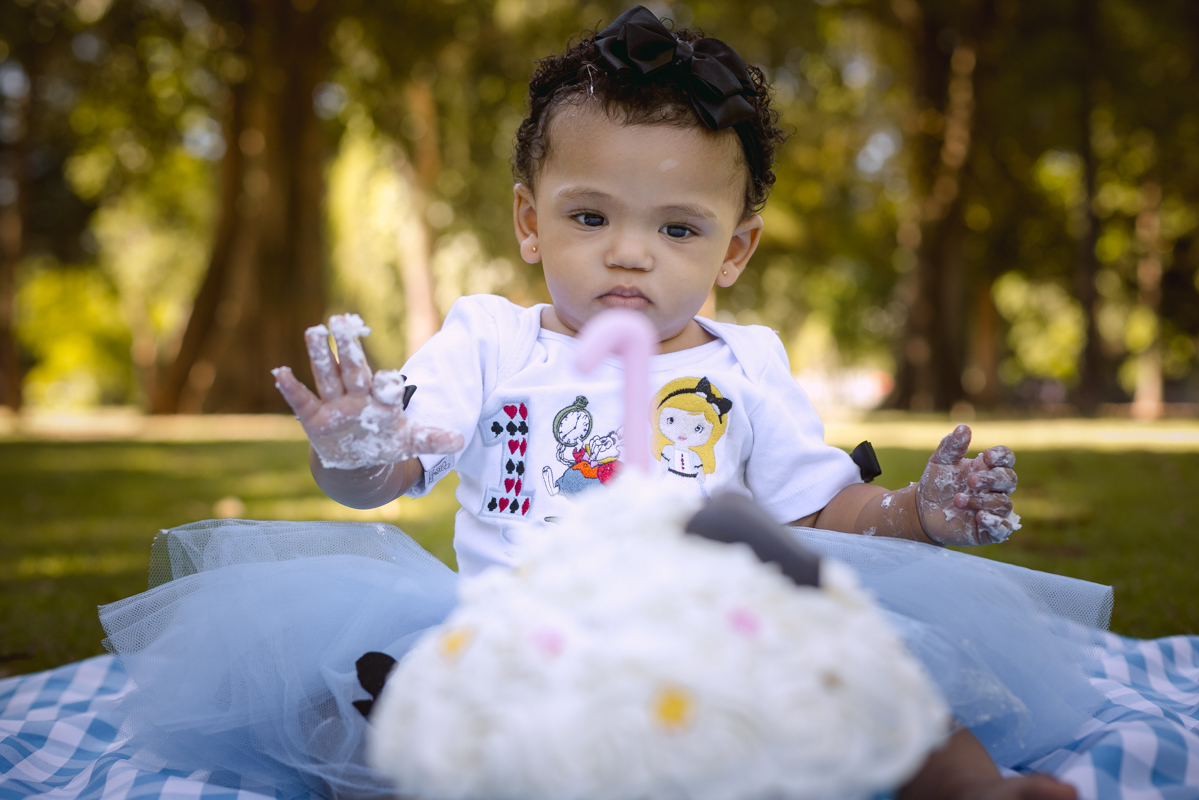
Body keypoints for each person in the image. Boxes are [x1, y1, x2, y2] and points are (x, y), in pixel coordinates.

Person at [105, 7, 1097, 800]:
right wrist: (360, 442)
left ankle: (968, 787)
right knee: (372, 699)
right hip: (513, 624)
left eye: (678, 226)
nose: (630, 251)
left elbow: (821, 510)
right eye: (591, 216)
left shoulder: (745, 361)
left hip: (710, 625)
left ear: (735, 248)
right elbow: (391, 467)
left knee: (879, 654)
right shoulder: (492, 337)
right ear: (531, 223)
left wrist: (918, 509)